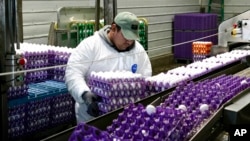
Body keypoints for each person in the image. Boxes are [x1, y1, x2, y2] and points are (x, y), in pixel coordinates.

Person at [65, 11, 152, 124]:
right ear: (114, 28)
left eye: (132, 37)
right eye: (126, 36)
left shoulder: (138, 50)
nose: (129, 41)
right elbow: (73, 72)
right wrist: (84, 94)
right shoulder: (91, 45)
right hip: (92, 116)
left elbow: (145, 76)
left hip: (126, 118)